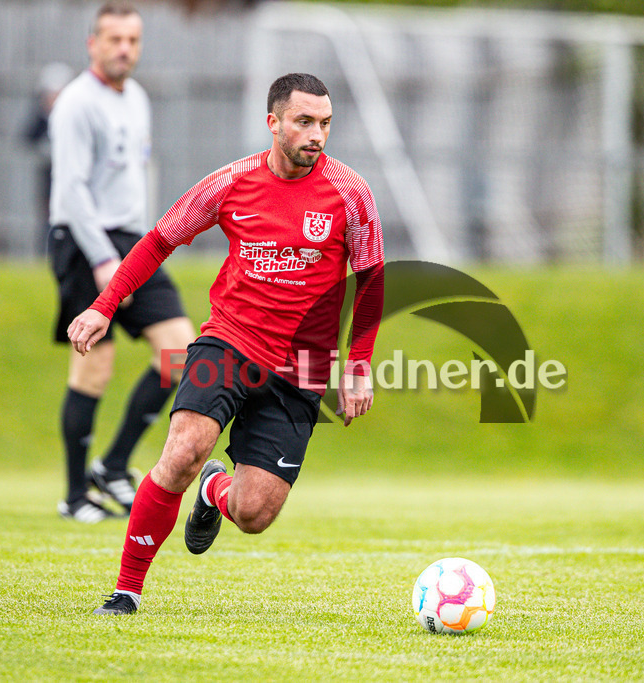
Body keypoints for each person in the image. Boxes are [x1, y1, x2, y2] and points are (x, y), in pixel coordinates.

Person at [67, 72, 386, 615]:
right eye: (304, 122)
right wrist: (103, 306)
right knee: (184, 450)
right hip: (229, 344)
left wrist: (357, 365)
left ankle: (215, 490)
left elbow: (373, 281)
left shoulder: (351, 194)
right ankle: (126, 591)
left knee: (255, 514)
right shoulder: (230, 183)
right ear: (274, 123)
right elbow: (159, 240)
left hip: (301, 370)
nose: (317, 134)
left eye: (325, 123)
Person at [48, 1, 195, 523]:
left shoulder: (136, 98)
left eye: (132, 40)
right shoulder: (75, 104)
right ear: (93, 43)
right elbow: (70, 190)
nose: (124, 49)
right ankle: (73, 495)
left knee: (181, 353)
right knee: (94, 366)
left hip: (134, 240)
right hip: (86, 241)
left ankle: (111, 465)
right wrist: (104, 258)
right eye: (114, 39)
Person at [23, 61, 73, 256]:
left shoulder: (73, 117)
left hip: (71, 179)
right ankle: (45, 255)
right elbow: (27, 138)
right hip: (49, 179)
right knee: (48, 219)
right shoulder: (40, 118)